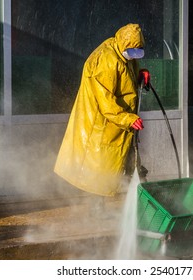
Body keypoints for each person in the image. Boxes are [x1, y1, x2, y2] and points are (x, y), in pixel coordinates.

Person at [54, 23, 150, 212]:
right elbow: (106, 102)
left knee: (128, 163)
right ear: (124, 45)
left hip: (118, 123)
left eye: (138, 50)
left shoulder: (121, 51)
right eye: (133, 51)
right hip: (103, 124)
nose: (135, 55)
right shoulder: (106, 61)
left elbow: (126, 73)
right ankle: (96, 212)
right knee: (100, 170)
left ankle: (142, 205)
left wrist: (140, 73)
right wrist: (127, 119)